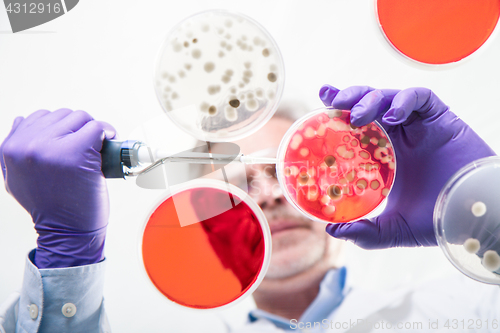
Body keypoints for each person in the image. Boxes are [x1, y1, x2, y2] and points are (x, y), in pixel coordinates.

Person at [1, 86, 499, 333]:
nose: (269, 194)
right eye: (236, 188)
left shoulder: (468, 311)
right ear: (203, 228)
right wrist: (68, 259)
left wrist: (490, 211)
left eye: (293, 172)